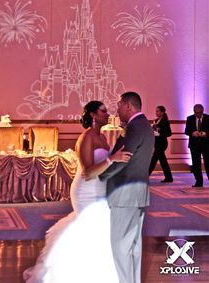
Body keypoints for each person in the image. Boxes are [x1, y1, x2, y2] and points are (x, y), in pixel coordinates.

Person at [23, 100, 131, 283]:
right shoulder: (86, 137)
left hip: (101, 190)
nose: (107, 114)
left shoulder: (103, 137)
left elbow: (104, 167)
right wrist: (112, 159)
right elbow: (88, 172)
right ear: (93, 115)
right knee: (89, 229)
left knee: (100, 230)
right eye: (103, 111)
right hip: (85, 191)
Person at [99, 92, 155, 283]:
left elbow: (123, 158)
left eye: (119, 105)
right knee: (133, 245)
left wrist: (102, 174)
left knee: (120, 245)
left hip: (125, 193)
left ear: (128, 106)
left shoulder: (133, 128)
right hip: (139, 193)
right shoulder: (145, 125)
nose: (117, 109)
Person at [185, 104, 209, 187]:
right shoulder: (190, 118)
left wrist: (205, 133)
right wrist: (192, 133)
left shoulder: (208, 118)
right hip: (194, 145)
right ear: (194, 112)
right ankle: (199, 182)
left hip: (206, 145)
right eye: (196, 113)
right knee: (196, 164)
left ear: (203, 111)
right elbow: (186, 131)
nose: (198, 115)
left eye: (200, 113)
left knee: (208, 163)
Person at [149, 105, 173, 183]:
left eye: (158, 111)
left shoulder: (165, 121)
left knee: (154, 160)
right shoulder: (155, 120)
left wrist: (159, 133)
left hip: (162, 143)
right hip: (157, 143)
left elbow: (169, 133)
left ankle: (145, 176)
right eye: (156, 111)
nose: (156, 112)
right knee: (163, 161)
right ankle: (169, 177)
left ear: (162, 112)